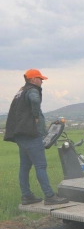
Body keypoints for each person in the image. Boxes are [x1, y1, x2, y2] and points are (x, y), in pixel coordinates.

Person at [4, 69, 68, 205]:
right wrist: (36, 116)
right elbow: (34, 99)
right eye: (40, 79)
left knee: (25, 166)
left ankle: (27, 196)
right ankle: (50, 196)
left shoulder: (20, 91)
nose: (42, 81)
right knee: (41, 165)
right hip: (31, 134)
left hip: (21, 134)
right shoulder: (32, 90)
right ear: (33, 80)